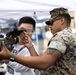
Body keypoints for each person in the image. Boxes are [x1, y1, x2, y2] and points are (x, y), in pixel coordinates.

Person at [0, 7, 76, 75]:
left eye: (51, 22)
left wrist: (11, 56)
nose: (50, 26)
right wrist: (30, 46)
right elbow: (40, 64)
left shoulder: (62, 36)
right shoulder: (69, 36)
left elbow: (44, 64)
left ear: (62, 20)